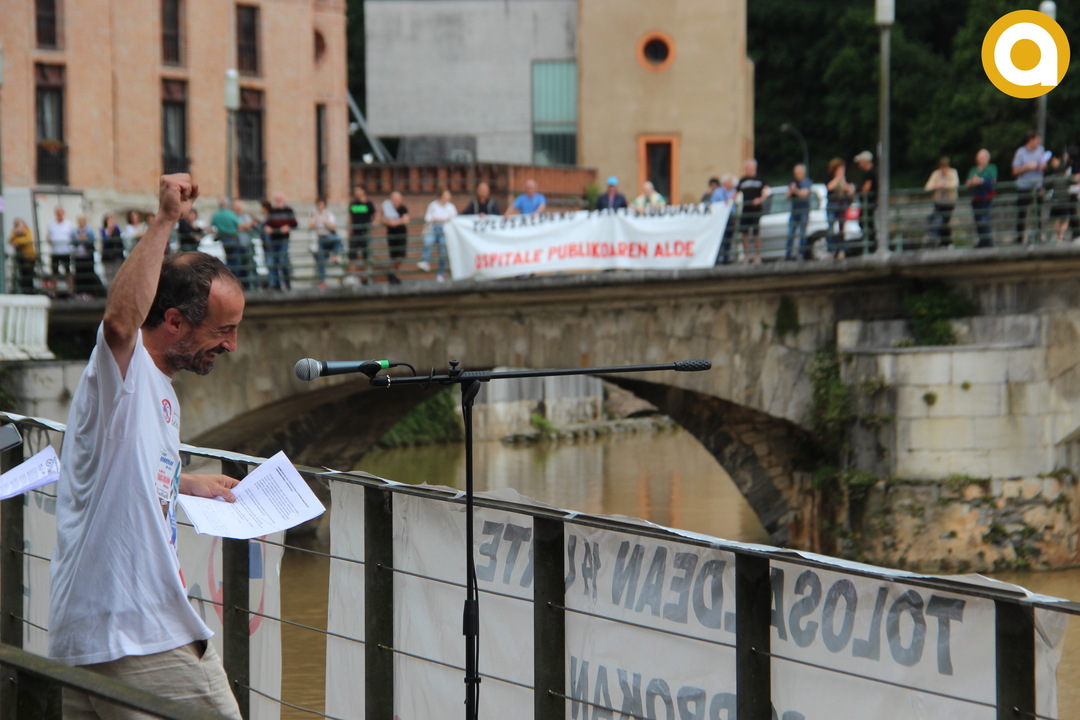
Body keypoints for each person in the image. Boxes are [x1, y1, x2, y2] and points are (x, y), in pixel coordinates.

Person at [49, 173, 244, 720]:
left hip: (82, 638)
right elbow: (118, 322)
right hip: (141, 635)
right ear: (175, 321)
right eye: (224, 330)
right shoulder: (127, 370)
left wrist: (184, 482)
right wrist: (165, 219)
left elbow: (113, 475)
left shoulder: (157, 390)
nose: (232, 345)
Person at [1013, 131, 1048, 244]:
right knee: (1022, 213)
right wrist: (1027, 167)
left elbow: (1044, 165)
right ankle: (1020, 238)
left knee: (1038, 212)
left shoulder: (1041, 150)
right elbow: (1015, 171)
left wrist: (1043, 166)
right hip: (1024, 187)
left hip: (1037, 186)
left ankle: (1038, 236)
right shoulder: (1020, 152)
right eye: (1037, 140)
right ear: (1030, 140)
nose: (1039, 142)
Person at [420, 187, 457, 281]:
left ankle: (441, 274)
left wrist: (438, 219)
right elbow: (428, 218)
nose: (448, 197)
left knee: (443, 252)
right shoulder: (433, 205)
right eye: (446, 195)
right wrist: (442, 219)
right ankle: (425, 261)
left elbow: (454, 219)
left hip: (445, 231)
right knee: (428, 242)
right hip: (433, 229)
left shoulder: (451, 207)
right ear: (441, 196)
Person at [736, 159, 769, 264]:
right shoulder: (742, 180)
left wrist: (760, 199)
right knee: (744, 234)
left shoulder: (760, 179)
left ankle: (757, 256)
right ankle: (747, 256)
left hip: (756, 210)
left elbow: (766, 191)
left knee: (756, 233)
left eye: (751, 168)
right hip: (746, 210)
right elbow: (735, 192)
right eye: (748, 168)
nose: (749, 170)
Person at [263, 193, 297, 290]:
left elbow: (294, 223)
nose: (279, 202)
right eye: (277, 200)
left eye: (280, 200)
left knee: (282, 261)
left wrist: (288, 227)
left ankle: (287, 283)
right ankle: (276, 285)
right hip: (273, 239)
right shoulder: (273, 211)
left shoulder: (288, 210)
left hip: (283, 239)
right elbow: (267, 223)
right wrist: (267, 228)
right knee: (273, 262)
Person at [966, 149, 998, 249]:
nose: (980, 160)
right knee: (978, 220)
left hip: (986, 199)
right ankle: (982, 241)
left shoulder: (991, 168)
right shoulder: (973, 169)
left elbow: (993, 181)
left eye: (982, 158)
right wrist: (973, 181)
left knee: (985, 219)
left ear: (987, 159)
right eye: (979, 158)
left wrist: (980, 180)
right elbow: (968, 183)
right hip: (976, 199)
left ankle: (988, 241)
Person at [925, 157, 960, 247]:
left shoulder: (953, 172)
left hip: (949, 203)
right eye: (942, 167)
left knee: (944, 222)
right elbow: (927, 186)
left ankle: (946, 243)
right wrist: (936, 185)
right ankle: (943, 243)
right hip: (939, 203)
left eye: (945, 167)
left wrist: (944, 184)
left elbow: (955, 183)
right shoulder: (936, 174)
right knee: (936, 220)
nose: (943, 169)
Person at [825, 157, 855, 259]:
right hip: (832, 205)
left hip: (842, 205)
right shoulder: (829, 176)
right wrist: (838, 178)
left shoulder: (845, 178)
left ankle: (841, 251)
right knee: (830, 229)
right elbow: (829, 187)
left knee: (841, 229)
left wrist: (843, 181)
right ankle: (830, 251)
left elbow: (849, 189)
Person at [309, 198, 341, 289]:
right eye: (319, 204)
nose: (320, 206)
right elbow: (310, 225)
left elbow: (333, 227)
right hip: (319, 239)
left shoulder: (329, 214)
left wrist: (325, 222)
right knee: (321, 259)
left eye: (322, 204)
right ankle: (323, 281)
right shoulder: (314, 214)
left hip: (328, 237)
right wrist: (316, 221)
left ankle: (335, 255)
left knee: (338, 239)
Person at [347, 186, 375, 285]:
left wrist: (371, 226)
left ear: (363, 191)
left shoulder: (369, 204)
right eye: (355, 190)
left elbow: (374, 216)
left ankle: (365, 277)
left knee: (365, 256)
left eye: (358, 190)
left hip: (364, 233)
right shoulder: (353, 204)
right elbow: (350, 217)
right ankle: (352, 276)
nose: (356, 192)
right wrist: (349, 227)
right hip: (354, 233)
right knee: (352, 256)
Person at [211, 198, 243, 284]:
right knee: (235, 260)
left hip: (223, 239)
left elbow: (212, 226)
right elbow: (238, 225)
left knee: (228, 258)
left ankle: (226, 277)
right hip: (233, 239)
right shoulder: (231, 214)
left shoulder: (216, 215)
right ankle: (233, 279)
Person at [1046, 153, 1076, 244]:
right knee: (1065, 220)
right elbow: (1074, 180)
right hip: (1065, 202)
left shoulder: (1053, 178)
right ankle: (1060, 235)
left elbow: (1045, 182)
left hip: (1055, 202)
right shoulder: (1066, 178)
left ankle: (1057, 237)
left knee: (1056, 220)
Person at [381, 191, 410, 285]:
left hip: (401, 235)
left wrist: (395, 222)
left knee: (401, 256)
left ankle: (392, 272)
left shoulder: (403, 208)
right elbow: (383, 219)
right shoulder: (387, 208)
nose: (396, 201)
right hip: (392, 235)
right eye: (394, 199)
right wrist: (390, 222)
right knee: (393, 256)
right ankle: (393, 274)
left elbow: (406, 219)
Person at [71, 215, 103, 297]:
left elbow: (92, 241)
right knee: (79, 274)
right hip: (79, 256)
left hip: (87, 255)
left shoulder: (89, 231)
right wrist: (79, 239)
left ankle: (90, 292)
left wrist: (85, 239)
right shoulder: (75, 231)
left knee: (89, 274)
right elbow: (73, 242)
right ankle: (80, 293)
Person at [785, 164, 812, 260]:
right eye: (796, 173)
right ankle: (788, 255)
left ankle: (801, 254)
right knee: (790, 233)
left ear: (803, 172)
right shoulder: (792, 181)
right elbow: (786, 196)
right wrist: (791, 190)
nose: (797, 175)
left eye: (799, 173)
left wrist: (795, 190)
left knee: (802, 233)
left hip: (804, 211)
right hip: (794, 211)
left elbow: (804, 194)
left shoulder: (807, 182)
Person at [853, 151, 877, 255]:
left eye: (860, 162)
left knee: (866, 223)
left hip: (870, 204)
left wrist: (856, 190)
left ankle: (870, 246)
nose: (859, 164)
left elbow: (866, 189)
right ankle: (870, 246)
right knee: (867, 224)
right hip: (871, 203)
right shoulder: (874, 171)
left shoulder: (869, 173)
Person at [711, 174, 738, 264]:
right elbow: (714, 205)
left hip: (730, 218)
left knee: (728, 239)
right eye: (730, 181)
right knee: (720, 239)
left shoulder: (733, 192)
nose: (731, 183)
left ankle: (726, 259)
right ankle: (716, 259)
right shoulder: (718, 192)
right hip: (720, 219)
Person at [47, 206, 75, 292]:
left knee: (68, 271)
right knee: (54, 272)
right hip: (55, 252)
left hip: (65, 251)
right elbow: (48, 236)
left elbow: (72, 236)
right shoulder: (51, 224)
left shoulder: (68, 224)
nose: (59, 214)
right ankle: (54, 291)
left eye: (60, 212)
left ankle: (70, 291)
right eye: (58, 213)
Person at [8, 218, 37, 294]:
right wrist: (15, 233)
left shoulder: (27, 231)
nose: (20, 226)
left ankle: (30, 290)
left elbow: (28, 240)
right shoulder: (15, 233)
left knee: (29, 274)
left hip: (29, 256)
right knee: (23, 274)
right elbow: (10, 240)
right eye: (18, 225)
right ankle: (24, 290)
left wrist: (17, 241)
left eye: (21, 224)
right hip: (21, 257)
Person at [233, 200, 256, 290]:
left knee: (249, 266)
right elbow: (235, 228)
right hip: (237, 246)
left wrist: (241, 227)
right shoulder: (233, 217)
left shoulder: (245, 216)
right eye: (237, 208)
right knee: (238, 266)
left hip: (246, 245)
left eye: (240, 208)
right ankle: (239, 287)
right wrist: (242, 226)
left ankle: (250, 286)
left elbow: (249, 225)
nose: (239, 209)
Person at [101, 214, 126, 285]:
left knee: (118, 275)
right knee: (109, 276)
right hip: (108, 257)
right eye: (109, 220)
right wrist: (109, 231)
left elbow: (119, 240)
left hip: (117, 256)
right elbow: (105, 243)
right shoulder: (103, 230)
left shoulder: (117, 229)